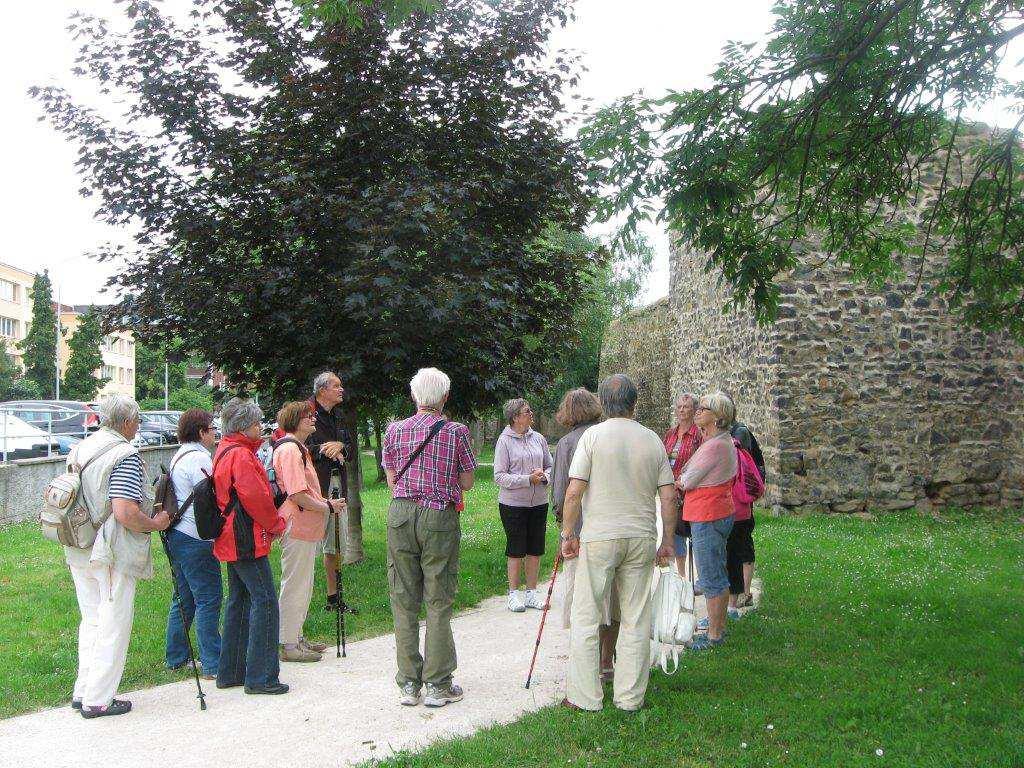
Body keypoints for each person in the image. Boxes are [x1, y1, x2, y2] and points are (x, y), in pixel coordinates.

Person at [560, 374, 677, 712]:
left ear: (603, 403)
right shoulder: (652, 439)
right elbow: (668, 497)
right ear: (634, 403)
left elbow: (574, 491)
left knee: (586, 615)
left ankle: (585, 697)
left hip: (600, 535)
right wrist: (668, 540)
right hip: (641, 535)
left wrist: (569, 535)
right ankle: (630, 698)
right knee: (636, 616)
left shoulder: (593, 437)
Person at [65, 394, 171, 718]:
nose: (138, 427)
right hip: (108, 550)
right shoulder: (125, 455)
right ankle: (98, 699)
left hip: (77, 543)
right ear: (126, 423)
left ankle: (83, 690)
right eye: (137, 421)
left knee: (92, 619)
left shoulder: (80, 447)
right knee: (114, 620)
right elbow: (125, 511)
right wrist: (155, 523)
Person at [382, 367, 476, 708]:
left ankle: (409, 683)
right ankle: (438, 683)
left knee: (403, 598)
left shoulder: (394, 430)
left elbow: (392, 481)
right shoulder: (456, 432)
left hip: (401, 513)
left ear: (414, 396)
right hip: (438, 514)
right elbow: (466, 482)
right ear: (445, 397)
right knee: (438, 597)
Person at [212, 397, 289, 695]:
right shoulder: (242, 456)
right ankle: (261, 676)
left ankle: (231, 671)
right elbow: (256, 498)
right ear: (245, 427)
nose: (261, 428)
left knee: (240, 600)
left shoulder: (224, 449)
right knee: (266, 601)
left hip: (231, 536)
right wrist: (276, 525)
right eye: (257, 423)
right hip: (245, 537)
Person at [550, 388, 618, 681]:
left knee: (583, 600)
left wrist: (563, 530)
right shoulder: (609, 435)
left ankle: (586, 663)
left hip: (578, 530)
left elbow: (560, 492)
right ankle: (606, 661)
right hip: (610, 525)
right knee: (611, 598)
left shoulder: (566, 444)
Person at [274, 401, 348, 662]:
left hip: (305, 525)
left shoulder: (297, 448)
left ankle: (296, 636)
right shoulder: (290, 450)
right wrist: (327, 505)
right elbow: (297, 494)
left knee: (303, 584)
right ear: (296, 420)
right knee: (295, 583)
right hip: (298, 523)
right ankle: (288, 643)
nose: (314, 419)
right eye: (308, 417)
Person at [677, 391, 738, 651]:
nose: (697, 411)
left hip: (708, 513)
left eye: (703, 408)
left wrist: (681, 481)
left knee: (711, 574)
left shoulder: (715, 446)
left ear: (718, 416)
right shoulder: (718, 442)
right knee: (715, 570)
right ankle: (716, 624)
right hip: (714, 512)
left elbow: (687, 478)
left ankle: (714, 634)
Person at [164, 408, 221, 680]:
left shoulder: (179, 455)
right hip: (196, 538)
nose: (214, 434)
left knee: (184, 597)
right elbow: (211, 496)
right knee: (209, 598)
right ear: (201, 431)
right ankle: (212, 662)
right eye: (212, 429)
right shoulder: (199, 458)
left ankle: (176, 657)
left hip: (177, 534)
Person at [493, 398, 553, 612]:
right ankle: (513, 594)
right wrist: (527, 479)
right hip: (513, 504)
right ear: (515, 417)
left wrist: (544, 476)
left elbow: (550, 465)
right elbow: (499, 476)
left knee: (535, 548)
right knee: (516, 548)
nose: (531, 414)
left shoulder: (538, 438)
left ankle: (531, 593)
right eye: (527, 411)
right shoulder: (504, 441)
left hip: (538, 502)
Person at [305, 371, 357, 613]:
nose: (341, 389)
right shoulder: (305, 413)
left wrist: (341, 447)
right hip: (313, 487)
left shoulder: (340, 415)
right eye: (336, 385)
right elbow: (297, 446)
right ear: (322, 390)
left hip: (337, 484)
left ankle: (334, 598)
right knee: (307, 546)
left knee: (335, 542)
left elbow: (351, 450)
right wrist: (324, 450)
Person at [726, 404, 765, 614]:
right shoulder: (729, 434)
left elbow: (742, 467)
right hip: (735, 500)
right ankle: (740, 592)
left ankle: (745, 592)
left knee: (742, 545)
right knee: (735, 547)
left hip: (740, 500)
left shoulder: (738, 433)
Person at [662, 393, 703, 578]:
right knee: (675, 532)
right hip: (672, 493)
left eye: (686, 406)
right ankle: (681, 576)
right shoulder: (670, 434)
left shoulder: (698, 435)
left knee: (694, 534)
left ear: (694, 410)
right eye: (679, 406)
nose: (681, 410)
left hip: (691, 492)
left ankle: (699, 576)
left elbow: (701, 462)